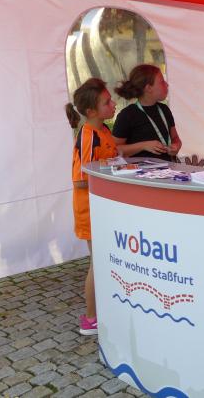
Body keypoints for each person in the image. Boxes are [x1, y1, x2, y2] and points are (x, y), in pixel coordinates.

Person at [65, 78, 119, 335]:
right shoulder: (87, 136)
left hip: (103, 208)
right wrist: (110, 173)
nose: (113, 104)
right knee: (97, 263)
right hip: (90, 210)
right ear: (91, 111)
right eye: (107, 102)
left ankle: (102, 311)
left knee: (103, 261)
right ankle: (90, 319)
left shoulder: (104, 130)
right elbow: (80, 180)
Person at [112, 64, 182, 162]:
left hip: (168, 168)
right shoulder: (127, 115)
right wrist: (143, 146)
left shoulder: (164, 109)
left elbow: (175, 137)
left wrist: (176, 145)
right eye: (162, 82)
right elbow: (114, 150)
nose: (167, 85)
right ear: (148, 88)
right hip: (140, 171)